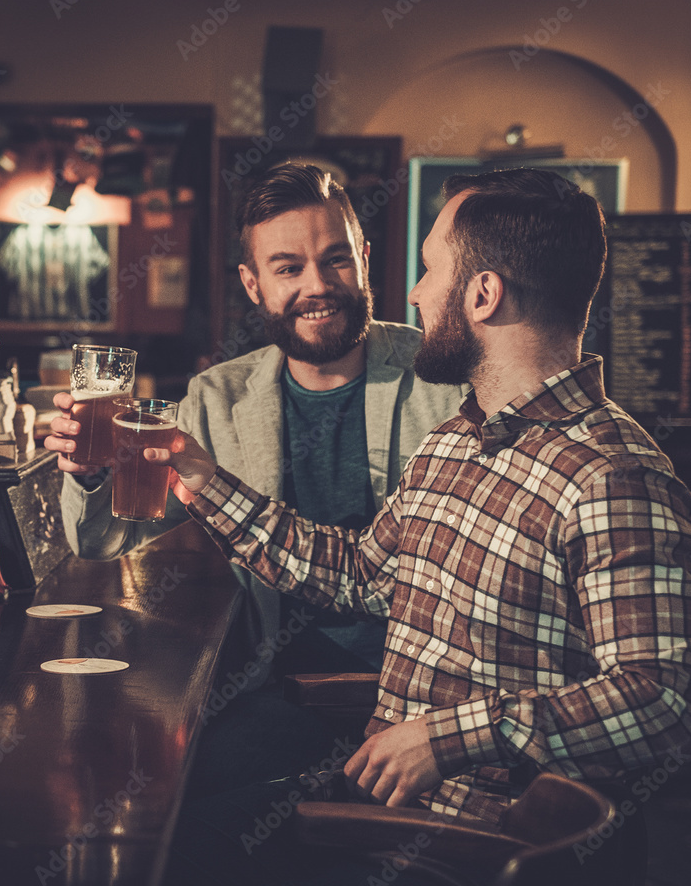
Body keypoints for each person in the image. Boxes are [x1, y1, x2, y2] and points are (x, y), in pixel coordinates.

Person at [150, 167, 691, 832]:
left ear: (482, 294)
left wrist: (449, 739)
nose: (415, 294)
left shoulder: (612, 476)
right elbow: (361, 574)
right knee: (156, 828)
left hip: (460, 849)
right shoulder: (454, 443)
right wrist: (202, 479)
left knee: (174, 874)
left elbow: (665, 704)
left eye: (429, 269)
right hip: (383, 807)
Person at [47, 162, 460, 716]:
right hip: (274, 685)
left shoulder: (442, 378)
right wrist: (92, 473)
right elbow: (100, 543)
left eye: (336, 259)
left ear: (363, 261)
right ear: (252, 284)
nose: (317, 285)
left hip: (422, 696)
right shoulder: (217, 398)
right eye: (288, 268)